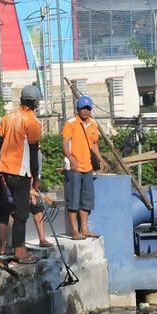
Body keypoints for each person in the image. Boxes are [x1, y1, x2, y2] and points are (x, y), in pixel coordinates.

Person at [0, 85, 43, 263]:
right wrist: (36, 179)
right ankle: (19, 251)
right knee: (21, 214)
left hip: (4, 171)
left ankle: (8, 246)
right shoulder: (33, 122)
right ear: (35, 102)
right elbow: (34, 153)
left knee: (9, 209)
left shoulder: (8, 118)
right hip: (20, 171)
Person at [61, 95, 107, 240]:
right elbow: (65, 143)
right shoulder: (71, 123)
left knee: (86, 199)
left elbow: (94, 144)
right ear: (77, 109)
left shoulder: (93, 124)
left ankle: (84, 229)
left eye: (88, 108)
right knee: (73, 200)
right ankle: (75, 231)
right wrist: (71, 158)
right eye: (83, 108)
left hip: (87, 167)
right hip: (73, 167)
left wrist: (100, 159)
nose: (85, 111)